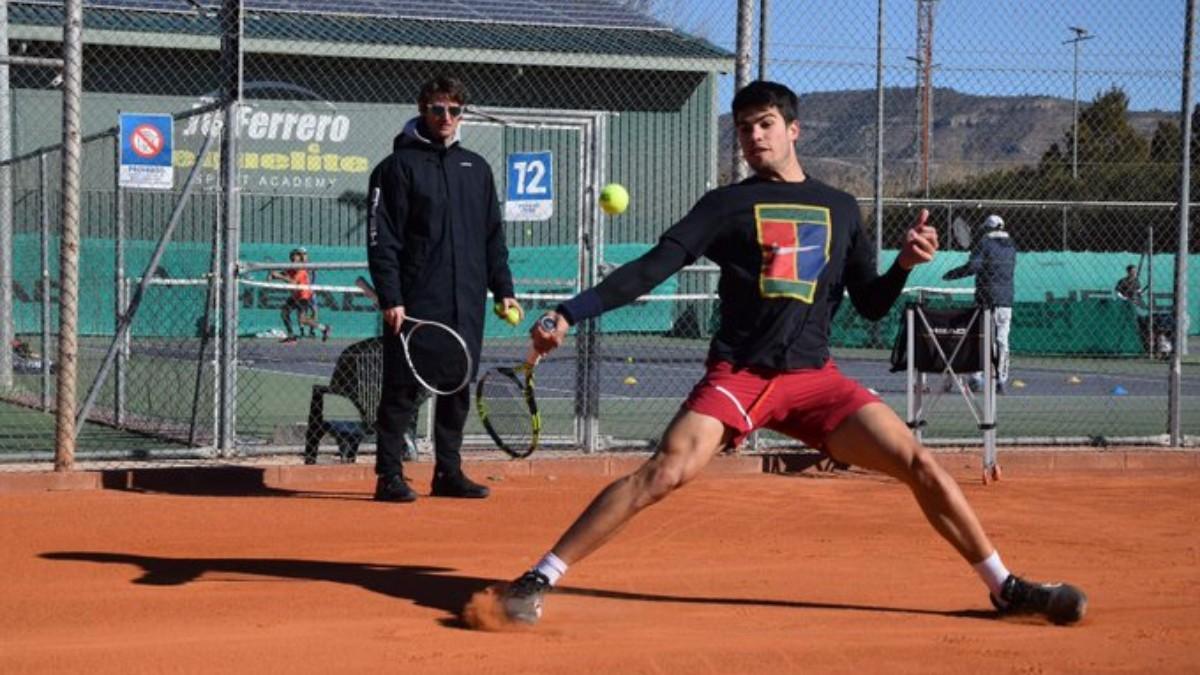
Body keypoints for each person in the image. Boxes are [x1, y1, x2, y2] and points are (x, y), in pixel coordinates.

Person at [496, 81, 1085, 626]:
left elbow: (872, 304)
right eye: (745, 128)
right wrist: (569, 312)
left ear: (794, 130)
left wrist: (903, 265)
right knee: (663, 473)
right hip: (740, 375)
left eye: (766, 124)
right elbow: (654, 268)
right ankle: (537, 578)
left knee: (919, 463)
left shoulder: (842, 208)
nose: (754, 137)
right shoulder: (724, 205)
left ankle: (1004, 587)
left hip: (815, 381)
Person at [367, 75, 522, 503]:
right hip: (417, 299)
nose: (446, 118)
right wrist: (391, 295)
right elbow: (383, 239)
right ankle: (389, 475)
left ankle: (448, 473)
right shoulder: (396, 168)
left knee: (457, 387)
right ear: (423, 109)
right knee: (401, 389)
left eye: (454, 110)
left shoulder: (476, 168)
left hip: (466, 298)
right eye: (438, 109)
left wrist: (502, 289)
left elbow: (493, 236)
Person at [941, 214, 1016, 394]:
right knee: (1002, 341)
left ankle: (976, 377)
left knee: (981, 337)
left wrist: (953, 274)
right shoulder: (1012, 246)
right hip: (1006, 301)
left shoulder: (984, 243)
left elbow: (974, 266)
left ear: (987, 228)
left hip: (986, 299)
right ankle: (1001, 381)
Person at [268, 247, 331, 344]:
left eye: (296, 258)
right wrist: (272, 275)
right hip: (295, 296)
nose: (294, 260)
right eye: (292, 258)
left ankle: (324, 328)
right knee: (284, 313)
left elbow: (293, 282)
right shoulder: (290, 268)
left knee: (302, 319)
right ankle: (291, 336)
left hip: (304, 296)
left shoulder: (302, 270)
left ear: (300, 259)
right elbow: (280, 274)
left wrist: (279, 276)